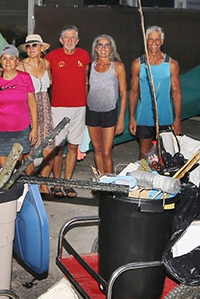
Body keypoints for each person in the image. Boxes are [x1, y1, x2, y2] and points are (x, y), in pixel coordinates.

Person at [43, 26, 90, 198]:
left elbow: (86, 79)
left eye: (73, 37)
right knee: (58, 147)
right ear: (61, 40)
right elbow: (37, 68)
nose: (70, 40)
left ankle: (67, 183)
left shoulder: (84, 55)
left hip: (79, 108)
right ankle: (56, 183)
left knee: (73, 146)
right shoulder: (51, 57)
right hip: (58, 108)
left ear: (77, 41)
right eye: (66, 37)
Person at [129, 26, 182, 158]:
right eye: (151, 39)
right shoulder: (137, 64)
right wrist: (132, 117)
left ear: (162, 41)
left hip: (165, 116)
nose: (154, 43)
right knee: (145, 152)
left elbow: (176, 93)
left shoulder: (171, 64)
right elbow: (134, 92)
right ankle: (145, 172)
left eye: (157, 39)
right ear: (146, 41)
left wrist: (177, 119)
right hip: (144, 115)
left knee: (168, 153)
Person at [86, 34, 127, 175]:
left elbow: (123, 94)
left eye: (107, 45)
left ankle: (110, 182)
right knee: (97, 149)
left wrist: (121, 118)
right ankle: (101, 180)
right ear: (96, 48)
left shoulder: (118, 67)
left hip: (109, 112)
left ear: (111, 48)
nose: (103, 48)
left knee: (106, 151)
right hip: (92, 112)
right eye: (100, 45)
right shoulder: (89, 67)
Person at [0, 45, 38, 167]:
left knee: (14, 167)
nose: (8, 62)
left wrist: (35, 128)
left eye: (11, 58)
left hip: (21, 130)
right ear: (0, 61)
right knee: (3, 169)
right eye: (4, 58)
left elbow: (32, 103)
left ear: (17, 60)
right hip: (0, 131)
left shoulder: (25, 78)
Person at [19, 34, 54, 194]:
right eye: (28, 46)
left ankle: (44, 183)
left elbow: (50, 82)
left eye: (34, 45)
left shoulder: (47, 64)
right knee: (29, 151)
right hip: (28, 108)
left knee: (49, 149)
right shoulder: (21, 66)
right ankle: (32, 185)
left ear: (41, 48)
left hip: (45, 107)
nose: (31, 49)